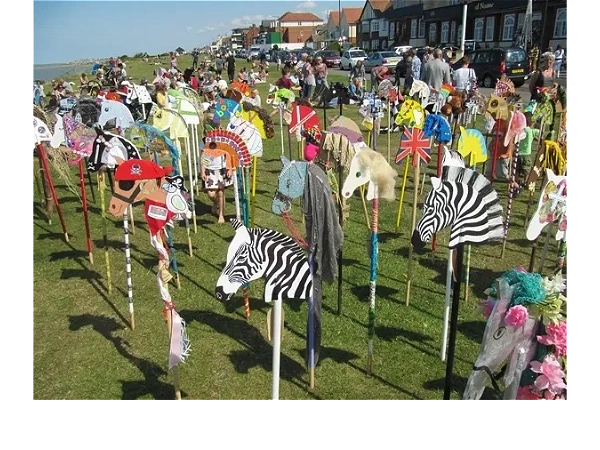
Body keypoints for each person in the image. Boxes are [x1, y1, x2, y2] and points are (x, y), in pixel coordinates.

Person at [201, 141, 234, 224]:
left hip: (221, 170)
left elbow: (228, 154)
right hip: (210, 171)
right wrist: (203, 170)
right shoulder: (206, 142)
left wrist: (229, 168)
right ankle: (217, 203)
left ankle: (221, 215)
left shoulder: (223, 140)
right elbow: (205, 157)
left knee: (220, 193)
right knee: (211, 193)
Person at [513, 112, 540, 193]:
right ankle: (526, 182)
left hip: (518, 153)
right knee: (526, 170)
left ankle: (516, 181)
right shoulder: (530, 131)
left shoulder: (520, 130)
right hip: (526, 154)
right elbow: (540, 132)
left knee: (516, 170)